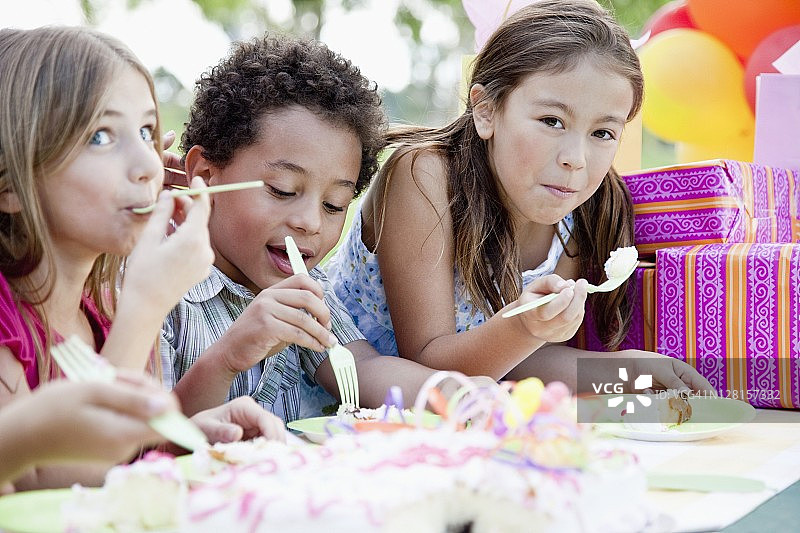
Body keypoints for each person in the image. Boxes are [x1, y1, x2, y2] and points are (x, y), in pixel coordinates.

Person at [326, 0, 714, 394]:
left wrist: (627, 370)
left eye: (602, 133)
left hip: (459, 417)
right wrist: (525, 325)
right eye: (552, 121)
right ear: (486, 110)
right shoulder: (426, 177)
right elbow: (427, 361)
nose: (575, 160)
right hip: (339, 406)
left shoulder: (578, 212)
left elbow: (512, 361)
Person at [161, 34, 484, 422]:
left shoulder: (305, 287)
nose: (310, 222)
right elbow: (148, 439)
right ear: (206, 174)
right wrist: (229, 356)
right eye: (282, 190)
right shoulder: (156, 285)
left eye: (334, 205)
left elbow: (362, 370)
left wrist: (459, 395)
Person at [0, 26, 215, 489]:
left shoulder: (96, 314)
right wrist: (146, 306)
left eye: (146, 131)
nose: (149, 165)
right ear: (11, 187)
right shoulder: (6, 324)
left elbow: (118, 468)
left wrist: (180, 442)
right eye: (101, 136)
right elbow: (60, 489)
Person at [0, 376, 287, 493]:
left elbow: (120, 459)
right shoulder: (8, 311)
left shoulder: (103, 302)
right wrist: (144, 305)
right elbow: (41, 487)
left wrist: (182, 441)